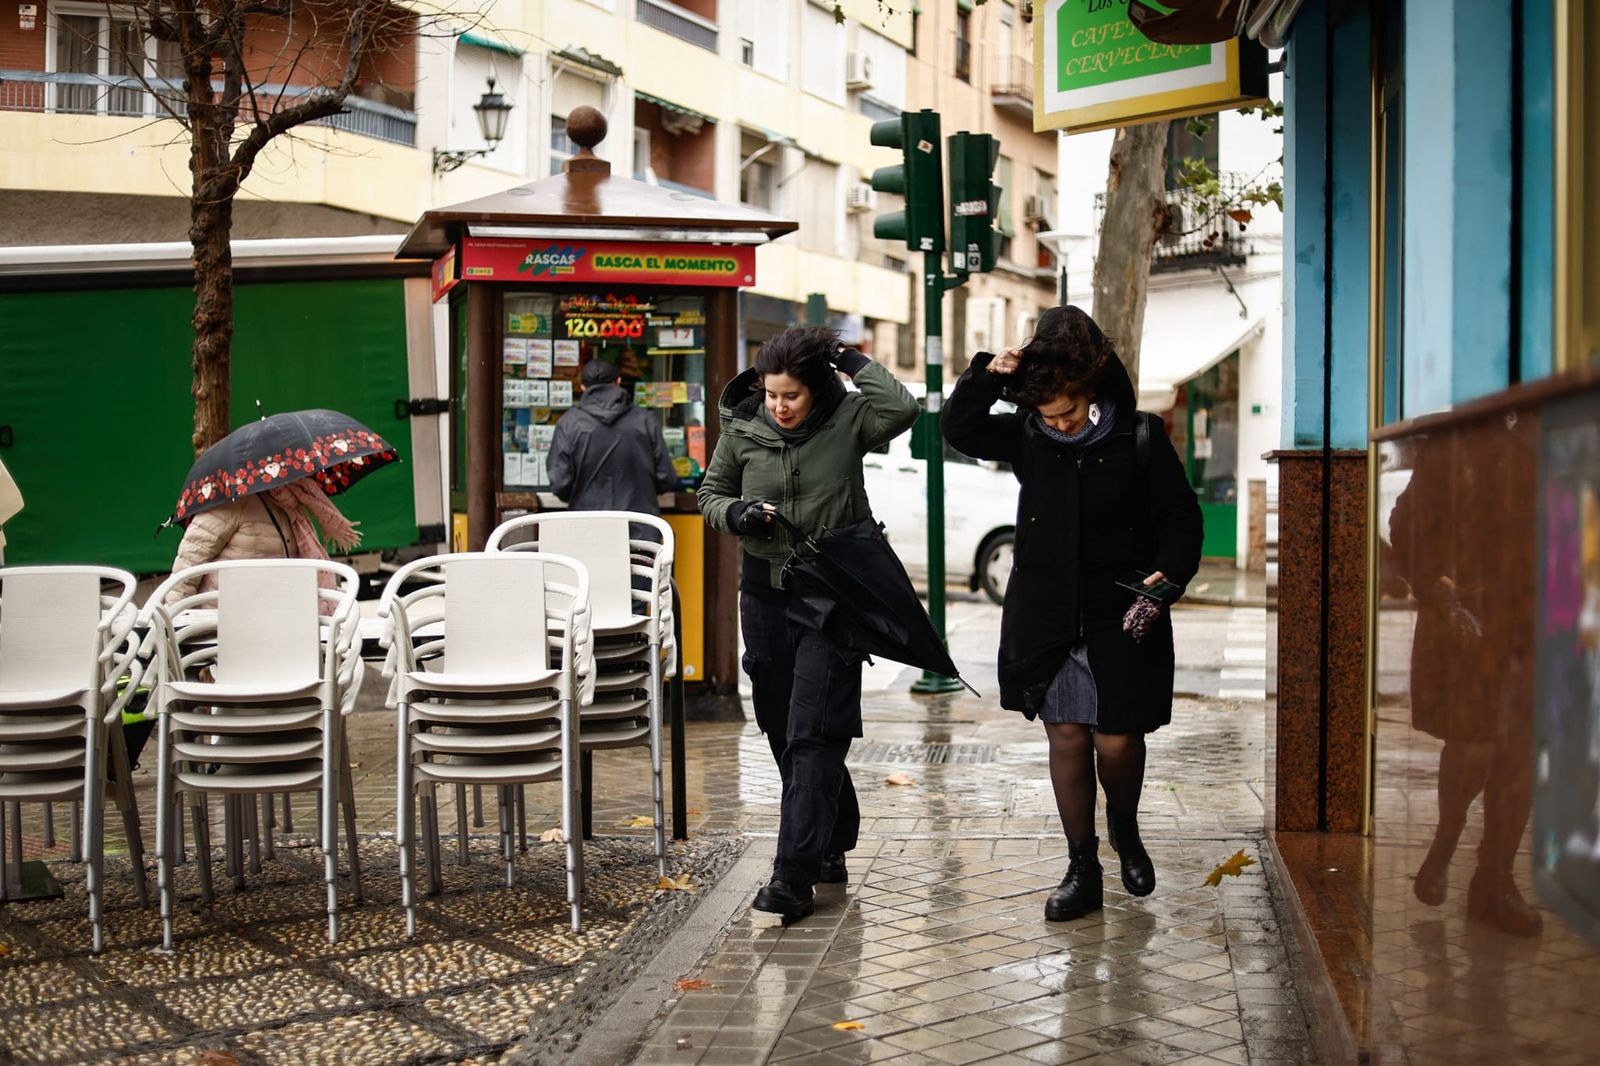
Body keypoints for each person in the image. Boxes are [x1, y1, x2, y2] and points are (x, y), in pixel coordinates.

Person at [944, 305, 1202, 922]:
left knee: (1117, 738)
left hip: (1121, 610)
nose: (1059, 423)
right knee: (1064, 732)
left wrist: (1168, 574)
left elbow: (1179, 518)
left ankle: (1125, 827)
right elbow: (960, 428)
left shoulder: (1139, 435)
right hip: (1046, 611)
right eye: (1047, 414)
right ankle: (1081, 864)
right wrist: (988, 373)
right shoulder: (1029, 433)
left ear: (1091, 388)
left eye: (1069, 410)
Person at [698, 327, 919, 921]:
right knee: (778, 723)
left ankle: (792, 873)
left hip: (833, 596)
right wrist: (739, 513)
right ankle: (831, 830)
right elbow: (710, 495)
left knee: (814, 729)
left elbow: (903, 408)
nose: (780, 406)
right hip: (764, 597)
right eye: (772, 395)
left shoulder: (849, 419)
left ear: (817, 390)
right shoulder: (742, 429)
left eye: (791, 394)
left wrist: (848, 359)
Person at [167, 479, 361, 608]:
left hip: (272, 615)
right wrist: (177, 621)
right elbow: (190, 559)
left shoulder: (289, 504)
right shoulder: (231, 501)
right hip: (222, 620)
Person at [548, 359, 677, 515]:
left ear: (582, 388)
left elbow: (560, 482)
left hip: (588, 525)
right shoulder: (645, 419)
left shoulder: (569, 423)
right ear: (618, 381)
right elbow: (666, 477)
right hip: (639, 526)